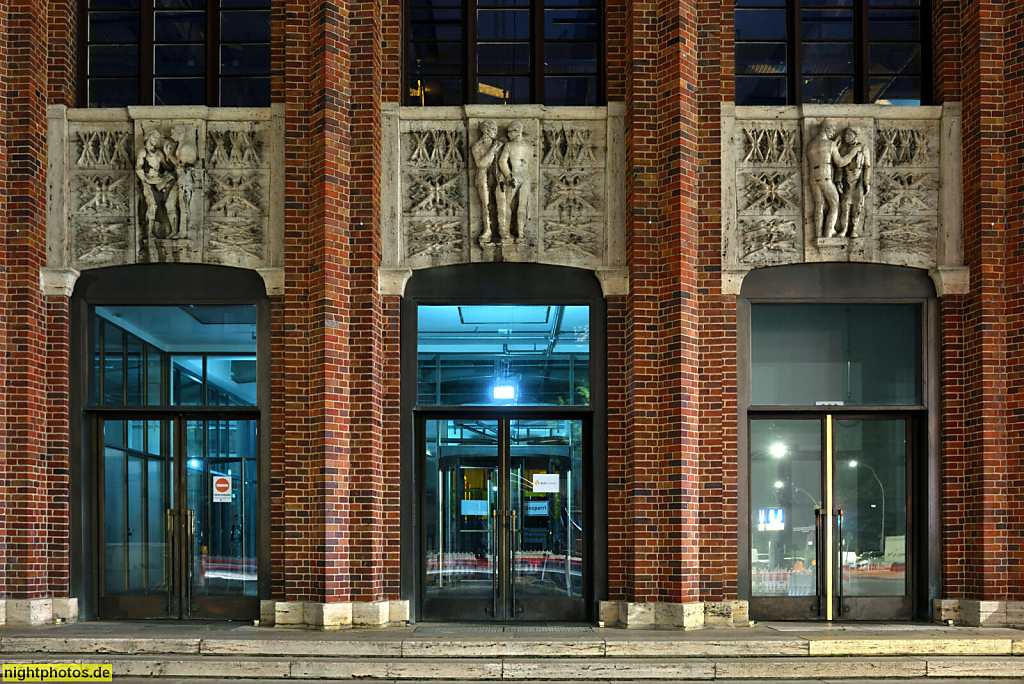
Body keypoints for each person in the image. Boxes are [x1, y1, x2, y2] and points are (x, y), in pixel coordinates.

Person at [806, 118, 862, 238]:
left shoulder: (811, 145)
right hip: (825, 177)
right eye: (832, 130)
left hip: (813, 178)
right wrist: (853, 152)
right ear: (827, 129)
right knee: (834, 203)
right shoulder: (829, 144)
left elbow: (822, 155)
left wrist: (834, 146)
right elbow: (840, 162)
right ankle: (828, 232)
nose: (833, 133)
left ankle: (818, 234)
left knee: (819, 205)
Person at [135, 130, 178, 239]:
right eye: (154, 137)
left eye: (158, 138)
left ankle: (171, 230)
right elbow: (138, 168)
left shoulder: (158, 153)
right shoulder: (143, 152)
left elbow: (167, 166)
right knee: (152, 205)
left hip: (159, 181)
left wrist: (168, 154)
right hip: (148, 182)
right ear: (148, 137)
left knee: (167, 205)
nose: (156, 140)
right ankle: (149, 232)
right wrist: (146, 180)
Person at [496, 120, 531, 243]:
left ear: (516, 132)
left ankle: (507, 231)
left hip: (515, 176)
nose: (508, 135)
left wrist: (508, 175)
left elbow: (502, 161)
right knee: (522, 205)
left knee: (508, 205)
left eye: (509, 132)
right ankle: (520, 234)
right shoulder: (529, 146)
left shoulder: (509, 145)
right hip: (526, 177)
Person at [472, 120, 503, 245]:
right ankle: (488, 229)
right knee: (486, 204)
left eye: (496, 130)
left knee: (501, 204)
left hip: (498, 177)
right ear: (485, 130)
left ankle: (502, 229)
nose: (495, 132)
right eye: (492, 130)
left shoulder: (499, 144)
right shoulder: (477, 146)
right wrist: (492, 151)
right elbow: (480, 164)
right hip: (483, 176)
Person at [836, 127, 872, 238]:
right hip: (846, 180)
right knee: (845, 206)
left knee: (857, 207)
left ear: (855, 136)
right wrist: (838, 181)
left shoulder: (863, 149)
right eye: (845, 134)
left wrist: (866, 182)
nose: (846, 137)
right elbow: (839, 167)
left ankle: (853, 230)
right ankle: (843, 229)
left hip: (858, 181)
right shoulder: (843, 149)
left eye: (848, 135)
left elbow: (867, 166)